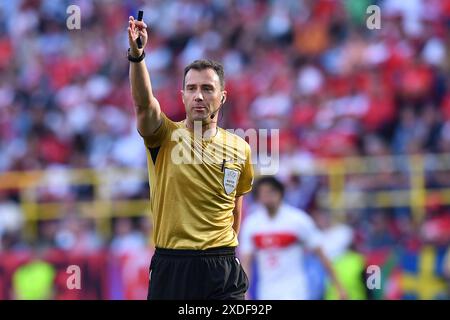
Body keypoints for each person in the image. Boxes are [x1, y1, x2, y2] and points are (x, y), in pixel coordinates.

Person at [127, 16, 254, 299]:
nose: (199, 96)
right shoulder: (163, 135)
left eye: (207, 88)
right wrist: (137, 56)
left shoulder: (239, 147)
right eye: (192, 89)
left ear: (223, 96)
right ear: (182, 96)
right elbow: (144, 103)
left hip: (222, 267)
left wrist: (226, 250)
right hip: (173, 266)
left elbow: (236, 207)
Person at [240, 176, 347, 300]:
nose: (266, 197)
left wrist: (339, 287)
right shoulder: (252, 224)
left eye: (269, 192)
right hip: (267, 291)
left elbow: (321, 254)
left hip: (295, 290)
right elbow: (246, 262)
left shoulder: (298, 220)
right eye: (262, 193)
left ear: (279, 193)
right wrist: (244, 292)